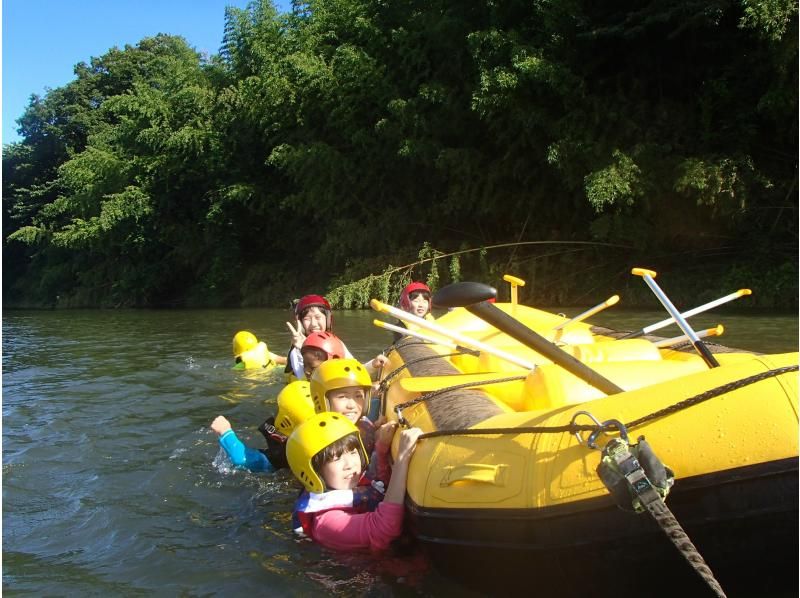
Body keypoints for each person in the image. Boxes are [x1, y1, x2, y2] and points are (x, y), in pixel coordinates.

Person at [287, 411, 423, 552]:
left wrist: (382, 448)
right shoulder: (326, 523)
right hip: (372, 570)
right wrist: (403, 457)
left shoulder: (342, 482)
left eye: (352, 452)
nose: (349, 464)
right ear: (313, 471)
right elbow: (384, 528)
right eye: (336, 459)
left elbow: (381, 485)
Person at [211, 380, 314, 472]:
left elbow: (242, 459)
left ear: (286, 420)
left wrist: (225, 432)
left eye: (278, 409)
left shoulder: (286, 453)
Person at [285, 294, 388, 381]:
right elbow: (307, 382)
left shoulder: (335, 343)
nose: (313, 324)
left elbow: (353, 369)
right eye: (307, 319)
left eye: (318, 317)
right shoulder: (297, 351)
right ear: (300, 323)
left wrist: (373, 364)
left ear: (328, 319)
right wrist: (304, 348)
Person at [309, 357, 384, 454]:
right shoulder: (324, 444)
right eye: (342, 397)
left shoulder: (364, 423)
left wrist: (376, 429)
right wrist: (383, 446)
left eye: (358, 396)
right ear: (322, 400)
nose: (352, 405)